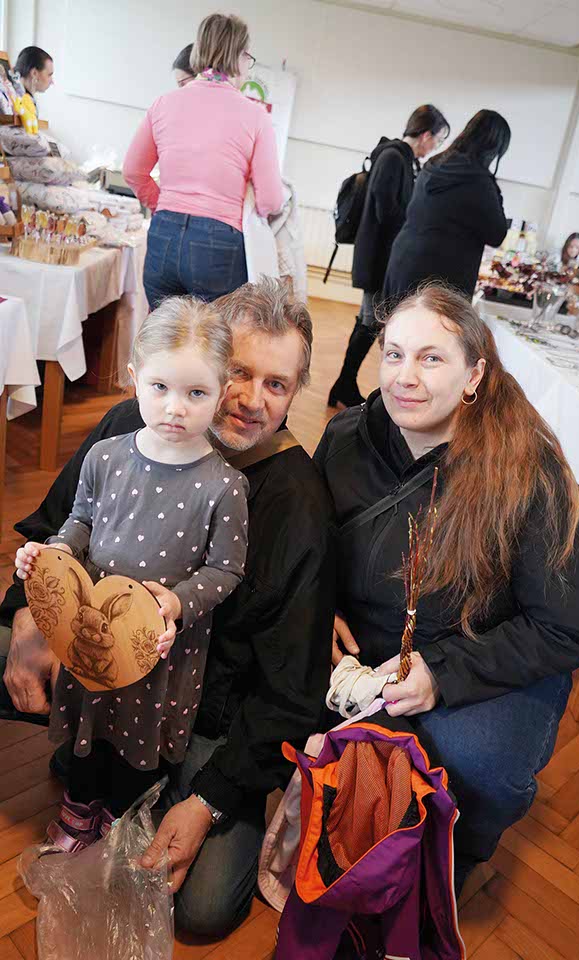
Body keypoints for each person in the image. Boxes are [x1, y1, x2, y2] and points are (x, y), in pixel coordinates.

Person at [0, 278, 334, 937]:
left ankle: (137, 790)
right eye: (239, 373)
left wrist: (210, 800)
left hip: (199, 706)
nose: (250, 400)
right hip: (91, 648)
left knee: (203, 909)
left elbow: (290, 694)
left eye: (276, 384)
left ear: (297, 392)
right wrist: (29, 618)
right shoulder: (136, 422)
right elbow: (56, 526)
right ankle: (89, 775)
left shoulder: (297, 506)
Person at [314, 283, 579, 895]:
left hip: (481, 657)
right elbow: (312, 547)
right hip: (371, 650)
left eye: (431, 358)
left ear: (474, 375)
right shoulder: (345, 439)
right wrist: (320, 610)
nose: (405, 377)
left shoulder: (527, 473)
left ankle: (456, 853)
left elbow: (567, 625)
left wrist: (442, 673)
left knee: (476, 760)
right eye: (394, 354)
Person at [14, 299, 248, 848]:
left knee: (139, 740)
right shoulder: (105, 456)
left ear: (221, 393)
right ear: (134, 377)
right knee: (89, 727)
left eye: (196, 393)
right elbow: (80, 522)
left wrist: (179, 601)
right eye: (160, 387)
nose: (175, 408)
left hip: (159, 647)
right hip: (92, 630)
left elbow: (226, 569)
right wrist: (53, 555)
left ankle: (121, 825)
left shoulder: (224, 486)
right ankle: (78, 809)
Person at [123, 13, 283, 308]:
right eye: (247, 57)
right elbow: (271, 200)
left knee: (163, 333)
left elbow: (133, 171)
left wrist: (163, 205)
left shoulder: (164, 103)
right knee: (215, 335)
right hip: (220, 244)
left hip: (163, 233)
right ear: (238, 56)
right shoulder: (255, 115)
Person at [328, 104, 450, 409]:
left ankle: (343, 384)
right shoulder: (394, 157)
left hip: (382, 257)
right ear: (425, 135)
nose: (435, 147)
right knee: (369, 323)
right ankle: (343, 384)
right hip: (379, 258)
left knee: (369, 323)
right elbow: (387, 210)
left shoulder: (401, 159)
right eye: (437, 139)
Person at [383, 110, 510, 303]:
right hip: (440, 276)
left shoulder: (434, 163)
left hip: (404, 258)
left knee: (395, 319)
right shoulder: (479, 181)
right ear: (494, 148)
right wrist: (494, 185)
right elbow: (497, 234)